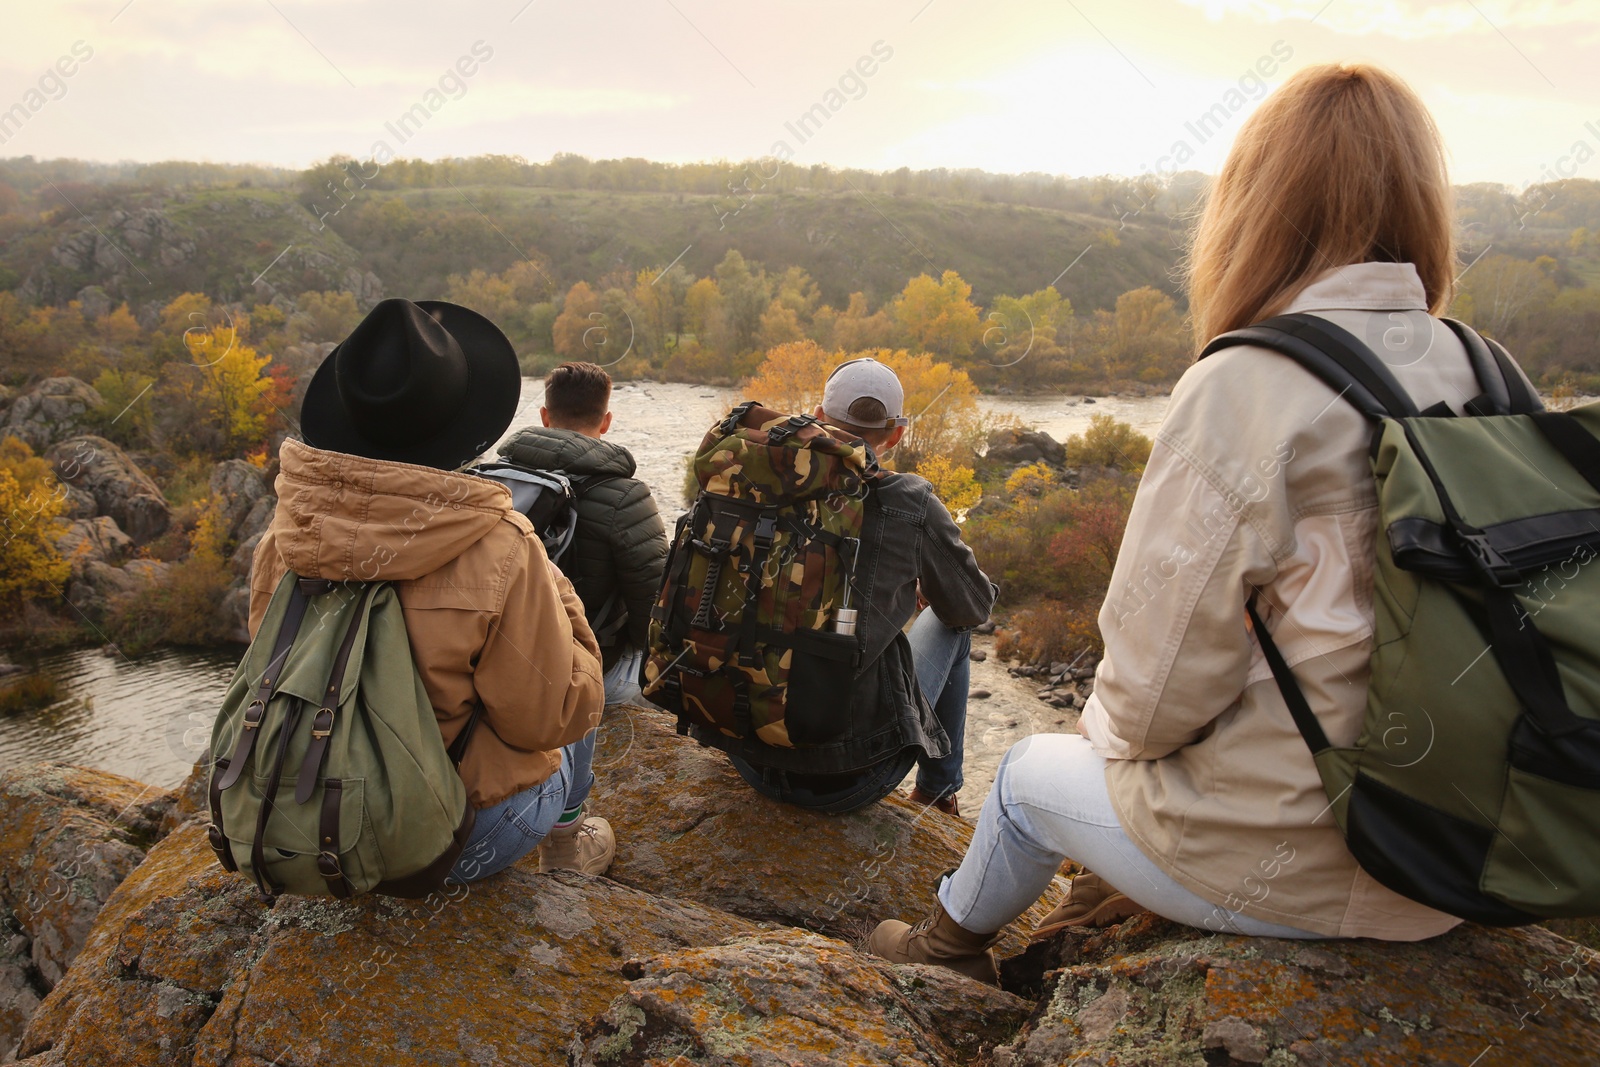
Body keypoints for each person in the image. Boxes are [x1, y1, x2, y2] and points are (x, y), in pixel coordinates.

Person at [869, 63, 1480, 983]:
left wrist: (1116, 759)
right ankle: (1084, 907)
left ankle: (942, 951)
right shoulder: (1490, 375)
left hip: (1292, 868)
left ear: (1256, 208)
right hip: (1461, 861)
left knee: (1032, 773)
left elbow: (1152, 700)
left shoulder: (1250, 384)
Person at [248, 298, 613, 883]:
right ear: (463, 424)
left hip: (297, 820)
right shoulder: (500, 544)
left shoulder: (286, 532)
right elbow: (548, 718)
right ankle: (569, 847)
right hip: (438, 844)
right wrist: (561, 601)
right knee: (575, 718)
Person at [709, 357, 996, 814]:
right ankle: (938, 790)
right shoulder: (910, 501)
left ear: (818, 418)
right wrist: (915, 585)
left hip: (745, 749)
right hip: (851, 775)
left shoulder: (758, 478)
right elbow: (972, 608)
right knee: (951, 627)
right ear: (897, 433)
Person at [497, 361, 667, 707]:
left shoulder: (492, 479)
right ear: (606, 421)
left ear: (545, 416)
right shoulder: (627, 496)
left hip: (498, 654)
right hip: (585, 665)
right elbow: (653, 606)